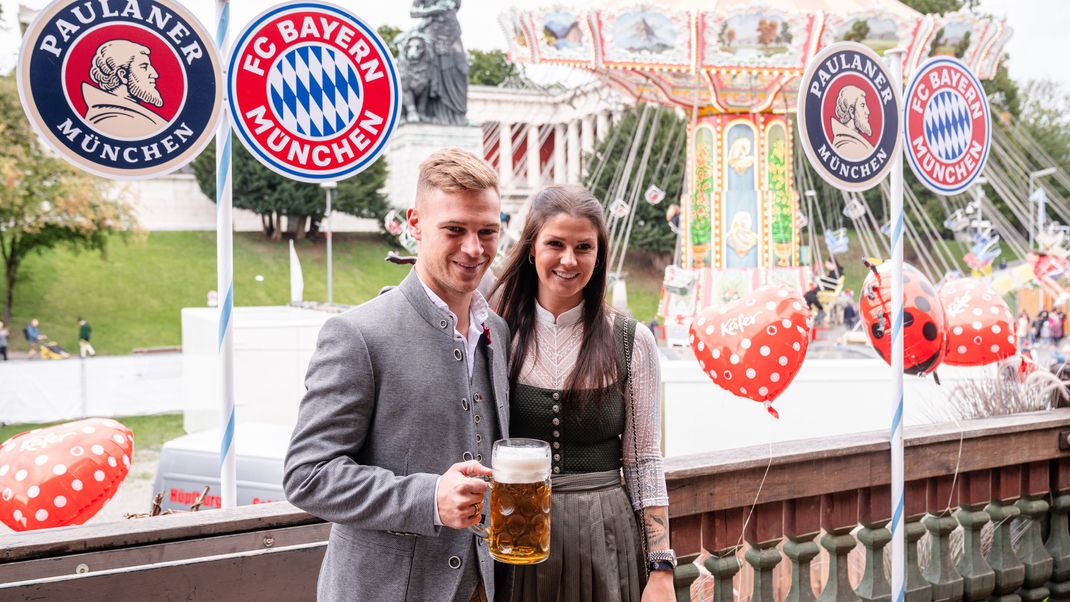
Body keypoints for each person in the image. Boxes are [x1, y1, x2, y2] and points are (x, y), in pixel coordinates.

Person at [284, 148, 509, 601]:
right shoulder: (356, 334)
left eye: (487, 231)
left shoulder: (497, 331)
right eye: (454, 230)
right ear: (415, 224)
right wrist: (429, 499)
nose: (474, 248)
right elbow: (307, 476)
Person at [492, 185, 674, 602]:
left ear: (599, 254)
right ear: (531, 249)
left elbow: (644, 459)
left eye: (584, 247)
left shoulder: (631, 340)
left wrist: (661, 566)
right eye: (555, 243)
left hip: (605, 538)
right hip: (517, 537)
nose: (569, 260)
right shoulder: (497, 334)